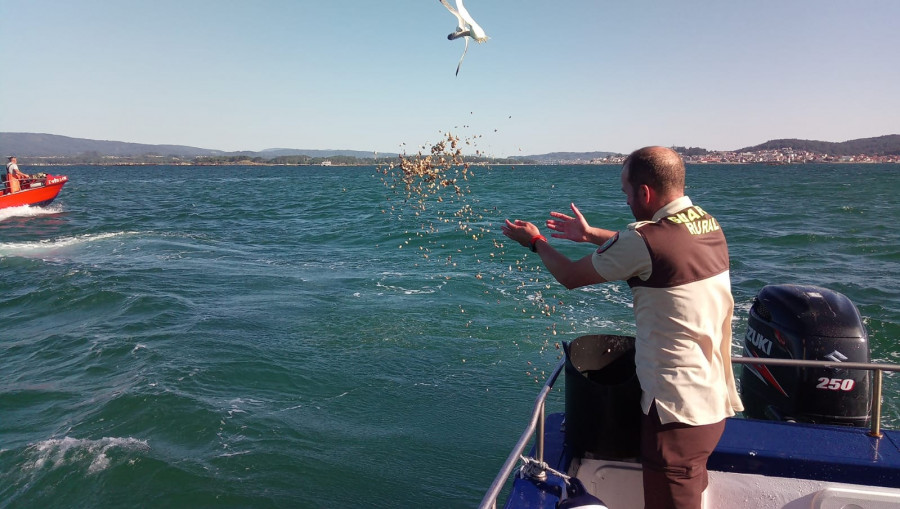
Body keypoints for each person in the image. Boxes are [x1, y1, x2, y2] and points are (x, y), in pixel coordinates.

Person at [502, 146, 743, 509]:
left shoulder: (646, 240)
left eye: (627, 193)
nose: (627, 201)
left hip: (676, 411)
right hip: (711, 400)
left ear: (645, 192)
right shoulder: (703, 223)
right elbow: (648, 248)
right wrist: (588, 235)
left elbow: (570, 276)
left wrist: (536, 242)